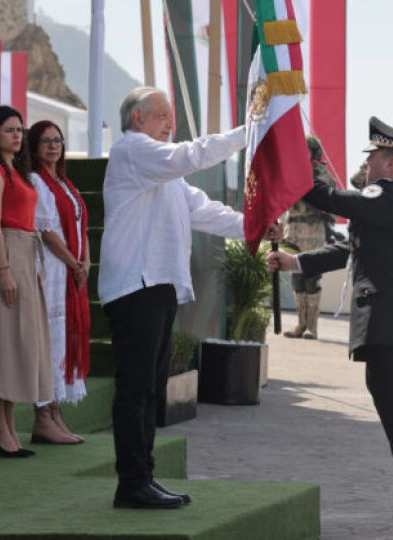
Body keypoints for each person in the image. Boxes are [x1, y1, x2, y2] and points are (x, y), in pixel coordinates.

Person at [99, 86, 277, 509]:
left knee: (149, 389)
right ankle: (132, 482)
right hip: (135, 287)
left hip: (156, 287)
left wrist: (257, 227)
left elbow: (207, 212)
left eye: (171, 117)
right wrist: (247, 133)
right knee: (136, 389)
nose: (170, 124)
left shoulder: (163, 172)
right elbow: (190, 155)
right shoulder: (133, 150)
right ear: (138, 118)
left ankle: (143, 476)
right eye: (162, 116)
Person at [268, 117, 393, 540]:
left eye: (371, 158)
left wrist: (293, 171)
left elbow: (332, 199)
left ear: (388, 162)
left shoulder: (386, 196)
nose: (365, 164)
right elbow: (354, 246)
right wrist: (298, 262)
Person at [0, 105, 52, 458]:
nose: (18, 135)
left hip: (25, 255)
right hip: (7, 256)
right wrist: (4, 270)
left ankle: (7, 426)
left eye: (20, 129)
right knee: (3, 343)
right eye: (9, 130)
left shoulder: (17, 171)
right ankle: (0, 428)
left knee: (20, 342)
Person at [27, 120, 90, 444]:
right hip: (52, 270)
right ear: (34, 146)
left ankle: (56, 414)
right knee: (50, 340)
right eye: (45, 141)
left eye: (58, 140)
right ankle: (43, 416)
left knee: (64, 338)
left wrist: (85, 261)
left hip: (70, 269)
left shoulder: (65, 182)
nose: (53, 146)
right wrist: (73, 263)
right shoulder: (36, 180)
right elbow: (47, 232)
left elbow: (80, 224)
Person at [282, 136, 336, 340]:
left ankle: (312, 327)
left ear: (314, 152)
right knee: (297, 279)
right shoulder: (290, 172)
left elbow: (327, 198)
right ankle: (300, 324)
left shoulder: (321, 173)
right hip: (293, 229)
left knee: (311, 279)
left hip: (312, 230)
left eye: (305, 150)